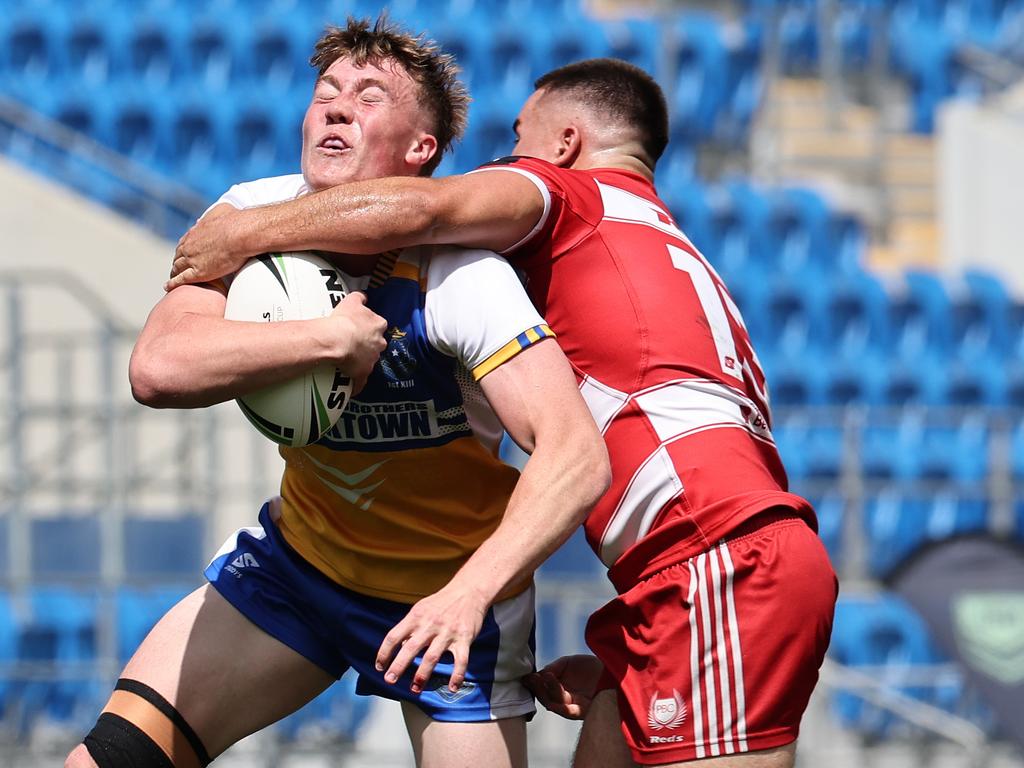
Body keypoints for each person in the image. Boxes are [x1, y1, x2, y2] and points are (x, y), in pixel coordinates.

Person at [168, 56, 840, 768]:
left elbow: (419, 209)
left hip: (711, 559)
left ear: (565, 143)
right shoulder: (660, 243)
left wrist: (242, 232)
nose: (506, 156)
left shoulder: (567, 191)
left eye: (519, 135)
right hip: (690, 567)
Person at [65, 19, 610, 768]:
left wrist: (470, 595)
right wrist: (324, 340)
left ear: (421, 150)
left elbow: (576, 454)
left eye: (369, 95)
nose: (337, 106)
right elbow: (157, 368)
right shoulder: (249, 219)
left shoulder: (463, 277)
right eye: (326, 92)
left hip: (444, 601)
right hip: (300, 567)